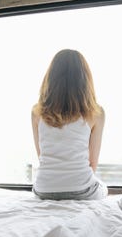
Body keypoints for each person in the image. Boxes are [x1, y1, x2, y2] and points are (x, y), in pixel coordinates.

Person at [31, 49, 108, 200]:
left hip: (43, 189)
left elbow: (42, 156)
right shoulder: (96, 113)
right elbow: (92, 164)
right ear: (85, 80)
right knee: (103, 188)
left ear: (50, 78)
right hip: (81, 190)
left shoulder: (36, 112)